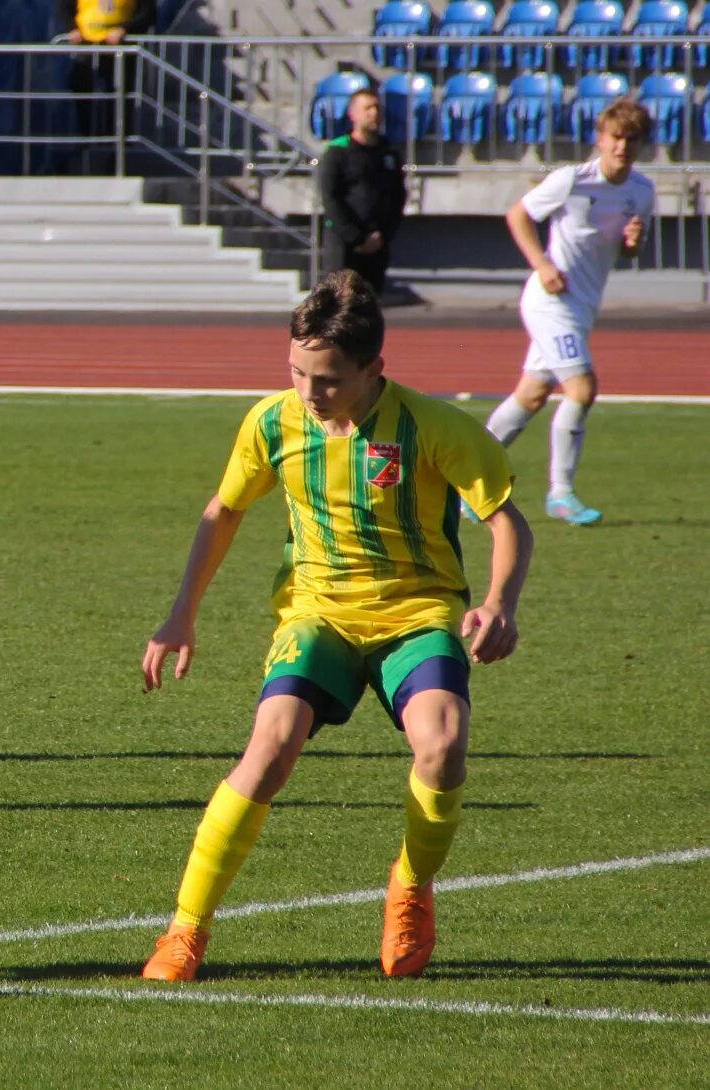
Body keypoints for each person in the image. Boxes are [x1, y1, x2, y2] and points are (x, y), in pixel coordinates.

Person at [137, 270, 532, 983]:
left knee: (441, 747)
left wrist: (499, 601)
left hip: (416, 614)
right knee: (270, 747)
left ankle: (409, 887)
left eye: (325, 380)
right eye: (295, 372)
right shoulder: (271, 422)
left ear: (373, 368)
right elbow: (222, 512)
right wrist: (179, 613)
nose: (307, 393)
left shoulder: (432, 427)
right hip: (316, 614)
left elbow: (508, 524)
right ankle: (183, 931)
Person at [482, 99, 654, 527]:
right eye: (616, 138)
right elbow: (518, 215)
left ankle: (465, 480)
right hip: (549, 301)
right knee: (581, 388)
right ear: (600, 138)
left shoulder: (643, 191)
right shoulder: (571, 180)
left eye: (631, 140)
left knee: (531, 396)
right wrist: (542, 264)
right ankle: (561, 493)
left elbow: (630, 251)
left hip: (583, 306)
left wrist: (634, 242)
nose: (622, 147)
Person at [318, 88, 406, 296]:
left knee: (369, 309)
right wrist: (356, 238)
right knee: (341, 308)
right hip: (344, 246)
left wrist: (382, 235)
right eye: (367, 108)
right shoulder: (338, 151)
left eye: (377, 108)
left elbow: (398, 197)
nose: (373, 113)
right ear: (353, 114)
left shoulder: (389, 152)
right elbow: (330, 198)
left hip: (377, 244)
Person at [56, 0, 157, 158]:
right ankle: (86, 139)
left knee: (119, 95)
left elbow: (147, 13)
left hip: (120, 47)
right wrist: (72, 29)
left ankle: (117, 150)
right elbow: (63, 8)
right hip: (87, 45)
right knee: (81, 88)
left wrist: (125, 29)